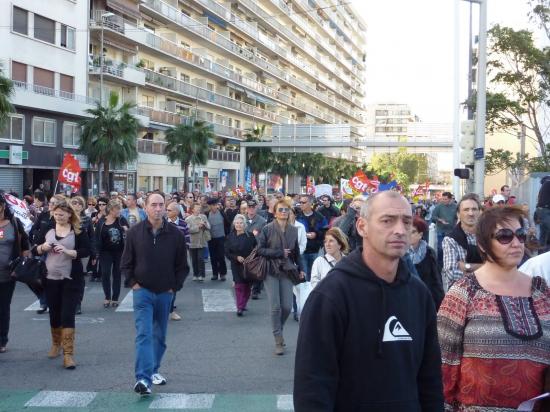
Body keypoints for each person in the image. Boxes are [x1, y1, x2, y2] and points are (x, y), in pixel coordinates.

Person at [294, 191, 444, 411]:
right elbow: (312, 387)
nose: (400, 230)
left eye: (406, 221)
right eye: (387, 220)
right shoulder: (330, 295)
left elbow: (430, 378)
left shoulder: (419, 294)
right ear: (362, 227)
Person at [438, 206, 550, 411]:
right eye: (505, 236)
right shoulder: (464, 292)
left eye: (521, 235)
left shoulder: (542, 292)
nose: (516, 243)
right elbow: (444, 364)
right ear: (482, 244)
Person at [121, 193, 189, 396]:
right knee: (144, 334)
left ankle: (154, 370)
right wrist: (133, 283)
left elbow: (182, 266)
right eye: (154, 205)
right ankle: (143, 378)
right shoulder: (134, 232)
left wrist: (174, 287)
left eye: (161, 205)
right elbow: (126, 263)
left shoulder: (175, 234)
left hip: (165, 293)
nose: (158, 209)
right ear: (146, 208)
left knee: (159, 336)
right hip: (142, 292)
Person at [35, 201, 91, 369]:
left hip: (71, 278)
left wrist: (67, 251)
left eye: (61, 214)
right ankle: (55, 344)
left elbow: (86, 250)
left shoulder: (78, 231)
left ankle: (68, 354)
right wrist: (43, 247)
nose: (58, 217)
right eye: (56, 214)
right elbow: (34, 249)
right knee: (54, 312)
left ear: (69, 215)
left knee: (67, 314)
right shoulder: (47, 229)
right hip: (50, 278)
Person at [257, 198, 305, 356]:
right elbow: (260, 250)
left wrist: (302, 269)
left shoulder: (294, 230)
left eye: (286, 210)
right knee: (275, 306)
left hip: (287, 270)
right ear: (274, 212)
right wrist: (278, 253)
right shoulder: (267, 228)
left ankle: (279, 329)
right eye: (281, 210)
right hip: (271, 270)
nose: (284, 212)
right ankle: (278, 340)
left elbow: (297, 253)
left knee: (286, 306)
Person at [0, 194, 30, 353]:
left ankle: (2, 340)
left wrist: (23, 260)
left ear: (3, 206)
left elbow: (25, 244)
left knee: (3, 308)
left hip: (7, 275)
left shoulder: (14, 223)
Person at [442, 193, 483, 291]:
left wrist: (466, 266)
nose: (471, 213)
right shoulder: (450, 239)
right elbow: (451, 273)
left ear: (480, 212)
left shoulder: (488, 237)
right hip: (460, 295)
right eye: (466, 210)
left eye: (474, 209)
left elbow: (496, 267)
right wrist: (484, 269)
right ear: (458, 214)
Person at [95, 200, 128, 308]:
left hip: (119, 251)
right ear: (110, 210)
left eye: (119, 208)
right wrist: (96, 252)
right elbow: (97, 237)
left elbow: (130, 233)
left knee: (117, 274)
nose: (118, 211)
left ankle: (115, 298)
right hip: (105, 251)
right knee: (105, 273)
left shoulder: (121, 220)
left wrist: (126, 230)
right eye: (116, 209)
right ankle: (107, 297)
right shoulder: (102, 221)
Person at [408, 216, 444, 309]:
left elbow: (436, 279)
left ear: (420, 235)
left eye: (412, 232)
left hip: (425, 300)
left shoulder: (429, 252)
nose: (408, 235)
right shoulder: (399, 253)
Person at [225, 214, 257, 316]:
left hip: (248, 265)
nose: (238, 225)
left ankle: (243, 304)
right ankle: (240, 307)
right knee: (239, 286)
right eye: (237, 223)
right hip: (236, 265)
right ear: (234, 224)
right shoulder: (230, 237)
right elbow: (227, 252)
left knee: (247, 287)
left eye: (241, 223)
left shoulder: (250, 236)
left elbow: (256, 250)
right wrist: (236, 257)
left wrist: (251, 259)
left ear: (245, 224)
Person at [166, 200, 190, 321]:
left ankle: (170, 311)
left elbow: (187, 240)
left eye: (169, 210)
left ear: (176, 212)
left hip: (177, 260)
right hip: (164, 259)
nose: (167, 212)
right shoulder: (163, 223)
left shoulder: (183, 223)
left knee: (174, 285)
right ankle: (164, 308)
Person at [70, 196, 94, 315]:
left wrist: (93, 253)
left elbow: (91, 236)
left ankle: (77, 303)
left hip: (82, 252)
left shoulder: (86, 219)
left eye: (80, 203)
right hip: (67, 251)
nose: (77, 205)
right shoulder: (66, 217)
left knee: (79, 278)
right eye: (74, 203)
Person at [296, 195, 328, 280]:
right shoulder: (297, 217)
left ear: (310, 203)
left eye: (303, 202)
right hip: (301, 251)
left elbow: (326, 231)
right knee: (305, 276)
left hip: (315, 250)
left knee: (314, 276)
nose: (301, 204)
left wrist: (316, 234)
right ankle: (305, 293)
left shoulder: (320, 216)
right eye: (300, 202)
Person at [244, 200, 267, 300]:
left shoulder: (262, 221)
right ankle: (246, 288)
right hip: (244, 248)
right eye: (249, 207)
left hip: (257, 249)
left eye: (253, 207)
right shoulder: (241, 219)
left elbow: (265, 236)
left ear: (256, 208)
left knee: (257, 270)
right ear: (247, 209)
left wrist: (257, 236)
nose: (251, 209)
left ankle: (255, 291)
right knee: (245, 269)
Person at [185, 203, 210, 282]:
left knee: (200, 259)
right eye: (197, 208)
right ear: (192, 209)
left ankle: (201, 275)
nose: (199, 209)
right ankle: (195, 274)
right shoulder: (188, 219)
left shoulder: (203, 217)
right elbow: (188, 230)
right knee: (194, 259)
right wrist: (197, 227)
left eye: (199, 208)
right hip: (192, 242)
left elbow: (209, 227)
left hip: (202, 241)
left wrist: (204, 225)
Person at [431, 192, 457, 265]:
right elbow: (433, 216)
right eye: (443, 199)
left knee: (450, 248)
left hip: (451, 231)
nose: (443, 200)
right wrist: (440, 220)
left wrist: (457, 222)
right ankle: (440, 264)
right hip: (441, 230)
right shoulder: (439, 206)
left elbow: (457, 217)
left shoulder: (455, 207)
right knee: (440, 248)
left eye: (445, 199)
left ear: (450, 199)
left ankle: (449, 263)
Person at [206, 198, 227, 281]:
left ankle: (222, 274)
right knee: (213, 257)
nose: (215, 207)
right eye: (213, 205)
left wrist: (227, 235)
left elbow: (227, 223)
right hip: (211, 239)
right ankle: (215, 273)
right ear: (210, 206)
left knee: (221, 256)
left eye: (216, 205)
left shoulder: (222, 213)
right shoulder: (207, 214)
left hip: (221, 237)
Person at [535, 175, 550, 251]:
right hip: (545, 211)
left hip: (541, 210)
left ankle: (541, 253)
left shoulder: (544, 185)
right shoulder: (548, 183)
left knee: (543, 234)